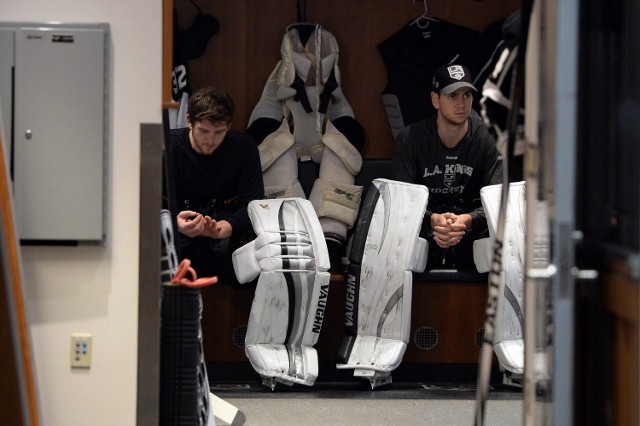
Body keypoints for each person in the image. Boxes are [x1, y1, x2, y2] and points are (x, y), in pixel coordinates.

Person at [392, 64, 502, 272]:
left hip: (472, 226)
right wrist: (432, 219)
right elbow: (400, 202)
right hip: (423, 225)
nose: (461, 104)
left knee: (508, 236)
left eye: (467, 96)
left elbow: (498, 202)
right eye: (452, 96)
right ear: (435, 100)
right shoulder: (410, 139)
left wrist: (468, 220)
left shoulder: (489, 138)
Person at [165, 86, 265, 285]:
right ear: (189, 121)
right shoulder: (168, 145)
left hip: (225, 230)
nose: (211, 140)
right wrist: (174, 224)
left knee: (260, 263)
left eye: (219, 132)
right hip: (177, 230)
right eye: (203, 131)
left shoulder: (243, 148)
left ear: (228, 127)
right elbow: (143, 200)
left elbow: (254, 203)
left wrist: (224, 228)